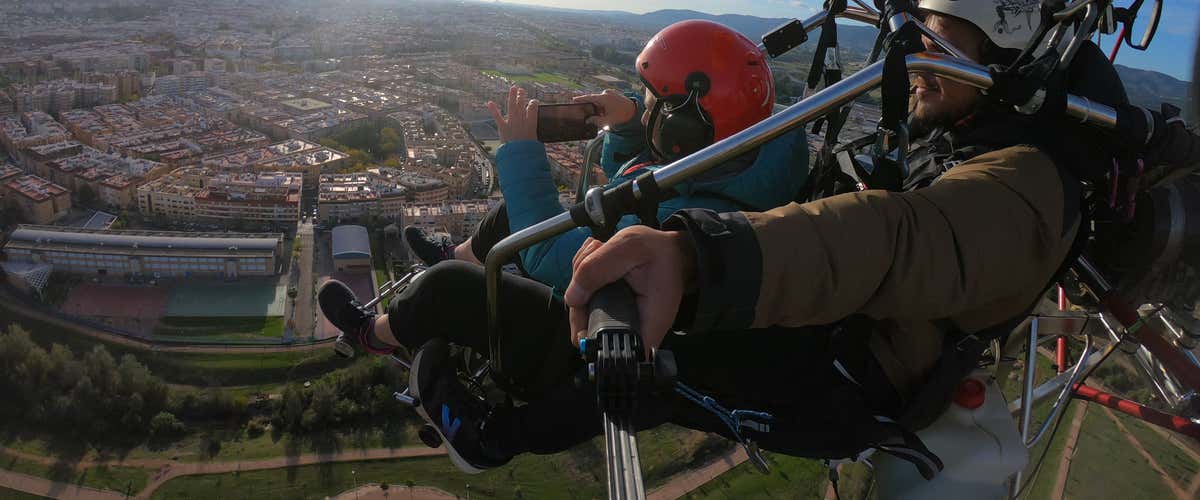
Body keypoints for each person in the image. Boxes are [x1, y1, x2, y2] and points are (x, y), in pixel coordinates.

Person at [320, 1, 1094, 474]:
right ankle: (448, 291)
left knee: (569, 328)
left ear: (1009, 55)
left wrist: (703, 257)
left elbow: (891, 241)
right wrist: (638, 141)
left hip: (830, 374)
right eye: (920, 37)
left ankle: (491, 427)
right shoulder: (969, 146)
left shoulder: (1025, 188)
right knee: (571, 268)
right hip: (812, 324)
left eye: (942, 47)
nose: (917, 62)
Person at [403, 19, 809, 291]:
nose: (644, 107)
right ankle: (449, 258)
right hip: (597, 258)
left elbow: (549, 256)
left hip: (587, 289)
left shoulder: (682, 216)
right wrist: (633, 121)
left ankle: (376, 332)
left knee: (440, 295)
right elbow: (631, 174)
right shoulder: (726, 168)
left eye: (653, 104)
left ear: (683, 130)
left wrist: (521, 153)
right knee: (507, 217)